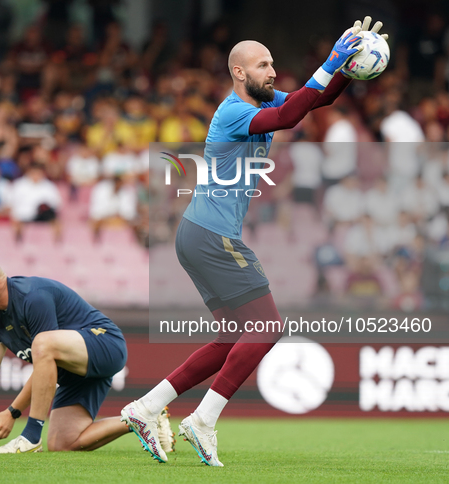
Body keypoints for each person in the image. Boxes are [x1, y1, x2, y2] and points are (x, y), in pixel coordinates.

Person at [121, 17, 388, 466]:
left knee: (232, 337)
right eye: (263, 65)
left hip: (200, 234)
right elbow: (287, 116)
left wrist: (348, 65)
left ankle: (145, 408)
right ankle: (202, 420)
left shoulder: (261, 100)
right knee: (266, 326)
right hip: (210, 234)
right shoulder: (233, 111)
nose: (273, 72)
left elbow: (313, 101)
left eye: (273, 64)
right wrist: (331, 61)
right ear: (240, 73)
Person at [0, 258, 174, 454]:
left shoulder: (32, 296)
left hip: (105, 343)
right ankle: (141, 418)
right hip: (74, 371)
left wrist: (13, 411)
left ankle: (31, 437)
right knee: (62, 443)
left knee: (42, 343)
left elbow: (45, 355)